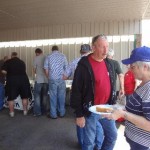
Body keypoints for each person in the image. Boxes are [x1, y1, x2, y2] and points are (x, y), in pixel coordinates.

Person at [71, 34, 118, 150]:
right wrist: (79, 114)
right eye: (102, 47)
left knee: (112, 135)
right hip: (91, 109)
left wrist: (114, 102)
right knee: (89, 142)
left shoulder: (109, 63)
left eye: (107, 46)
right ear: (93, 48)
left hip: (106, 107)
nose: (106, 50)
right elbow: (76, 90)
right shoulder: (83, 66)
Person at [102, 46, 150, 150]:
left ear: (145, 67)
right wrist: (121, 109)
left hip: (144, 145)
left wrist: (123, 114)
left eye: (132, 67)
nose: (129, 69)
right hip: (137, 143)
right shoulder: (143, 84)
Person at [2, 52, 31, 117]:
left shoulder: (8, 62)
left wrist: (8, 73)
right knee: (24, 97)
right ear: (17, 55)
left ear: (11, 56)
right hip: (23, 80)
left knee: (11, 97)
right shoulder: (22, 62)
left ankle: (12, 113)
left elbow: (3, 71)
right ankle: (25, 111)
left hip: (12, 81)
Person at [44, 45, 68, 119]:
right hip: (61, 79)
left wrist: (49, 77)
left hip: (52, 79)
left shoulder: (48, 56)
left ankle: (53, 114)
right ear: (58, 49)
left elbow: (46, 69)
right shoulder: (63, 56)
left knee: (53, 97)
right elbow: (66, 68)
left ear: (52, 50)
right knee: (61, 96)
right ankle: (62, 113)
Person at [33, 48, 48, 116]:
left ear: (37, 53)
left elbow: (34, 69)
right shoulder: (47, 57)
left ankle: (37, 112)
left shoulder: (36, 58)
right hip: (46, 80)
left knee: (37, 96)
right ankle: (44, 111)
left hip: (39, 79)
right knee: (44, 95)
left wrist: (36, 73)